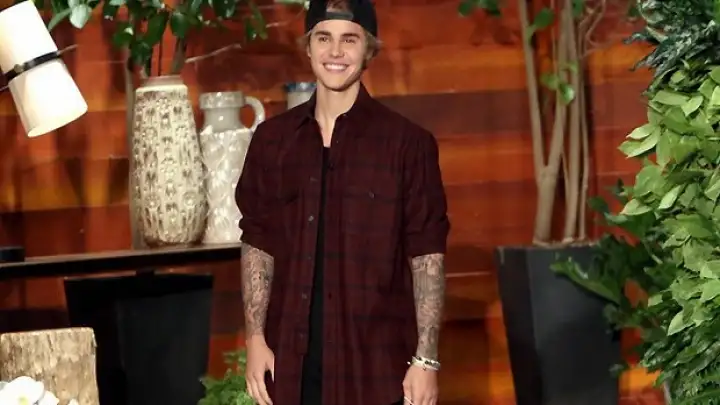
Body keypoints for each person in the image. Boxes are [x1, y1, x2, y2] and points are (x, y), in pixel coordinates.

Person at [236, 0, 450, 404]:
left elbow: (427, 256)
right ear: (309, 47)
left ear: (368, 50)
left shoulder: (407, 145)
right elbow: (258, 242)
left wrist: (426, 359)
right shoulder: (272, 141)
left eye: (349, 40)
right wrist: (255, 338)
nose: (335, 52)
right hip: (291, 365)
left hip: (376, 369)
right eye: (324, 38)